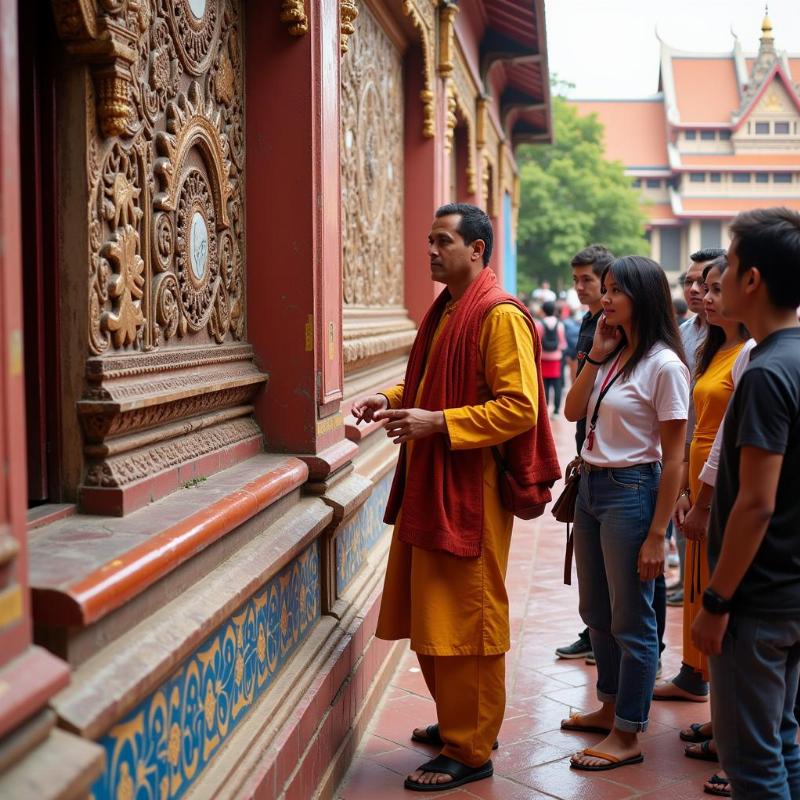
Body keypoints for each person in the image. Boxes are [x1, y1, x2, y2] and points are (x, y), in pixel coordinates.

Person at [353, 203, 560, 792]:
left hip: (471, 488)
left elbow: (519, 406)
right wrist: (391, 397)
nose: (431, 251)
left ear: (477, 250)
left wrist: (437, 423)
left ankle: (471, 750)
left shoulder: (498, 316)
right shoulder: (448, 308)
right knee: (434, 612)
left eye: (443, 241)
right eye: (429, 240)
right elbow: (434, 377)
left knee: (469, 617)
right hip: (433, 481)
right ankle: (458, 722)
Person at [560, 255, 689, 771]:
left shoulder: (664, 364)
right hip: (591, 488)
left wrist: (659, 534)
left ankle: (628, 732)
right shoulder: (612, 353)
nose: (605, 300)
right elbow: (570, 411)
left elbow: (675, 455)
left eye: (616, 291)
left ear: (644, 298)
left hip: (633, 491)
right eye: (605, 289)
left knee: (632, 619)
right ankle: (609, 706)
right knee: (597, 613)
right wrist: (594, 356)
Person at [693, 207, 800, 799]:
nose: (718, 281)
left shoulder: (764, 372)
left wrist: (716, 599)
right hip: (790, 586)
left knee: (752, 764)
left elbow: (755, 504)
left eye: (727, 267)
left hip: (755, 599)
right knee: (782, 741)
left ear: (753, 279)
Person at [655, 254, 749, 705]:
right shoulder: (712, 346)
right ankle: (699, 679)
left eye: (715, 289)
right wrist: (688, 491)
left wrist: (705, 500)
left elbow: (727, 434)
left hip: (724, 483)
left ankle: (727, 716)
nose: (705, 298)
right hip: (699, 480)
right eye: (701, 288)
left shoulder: (749, 352)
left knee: (718, 590)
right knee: (695, 585)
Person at [555, 244, 613, 662]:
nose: (579, 287)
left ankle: (609, 638)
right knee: (592, 560)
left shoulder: (614, 328)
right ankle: (595, 632)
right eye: (576, 280)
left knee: (612, 563)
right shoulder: (587, 323)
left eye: (587, 280)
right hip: (585, 441)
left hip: (612, 453)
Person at [668, 248, 725, 607]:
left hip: (714, 462)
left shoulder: (734, 342)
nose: (695, 290)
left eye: (704, 283)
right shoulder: (681, 333)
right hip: (680, 456)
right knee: (688, 549)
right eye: (689, 282)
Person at [535, 300, 567, 416]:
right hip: (556, 359)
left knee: (544, 385)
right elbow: (563, 342)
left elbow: (537, 341)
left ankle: (545, 409)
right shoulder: (559, 324)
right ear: (554, 310)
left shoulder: (539, 324)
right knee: (557, 384)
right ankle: (557, 411)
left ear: (543, 310)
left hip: (543, 359)